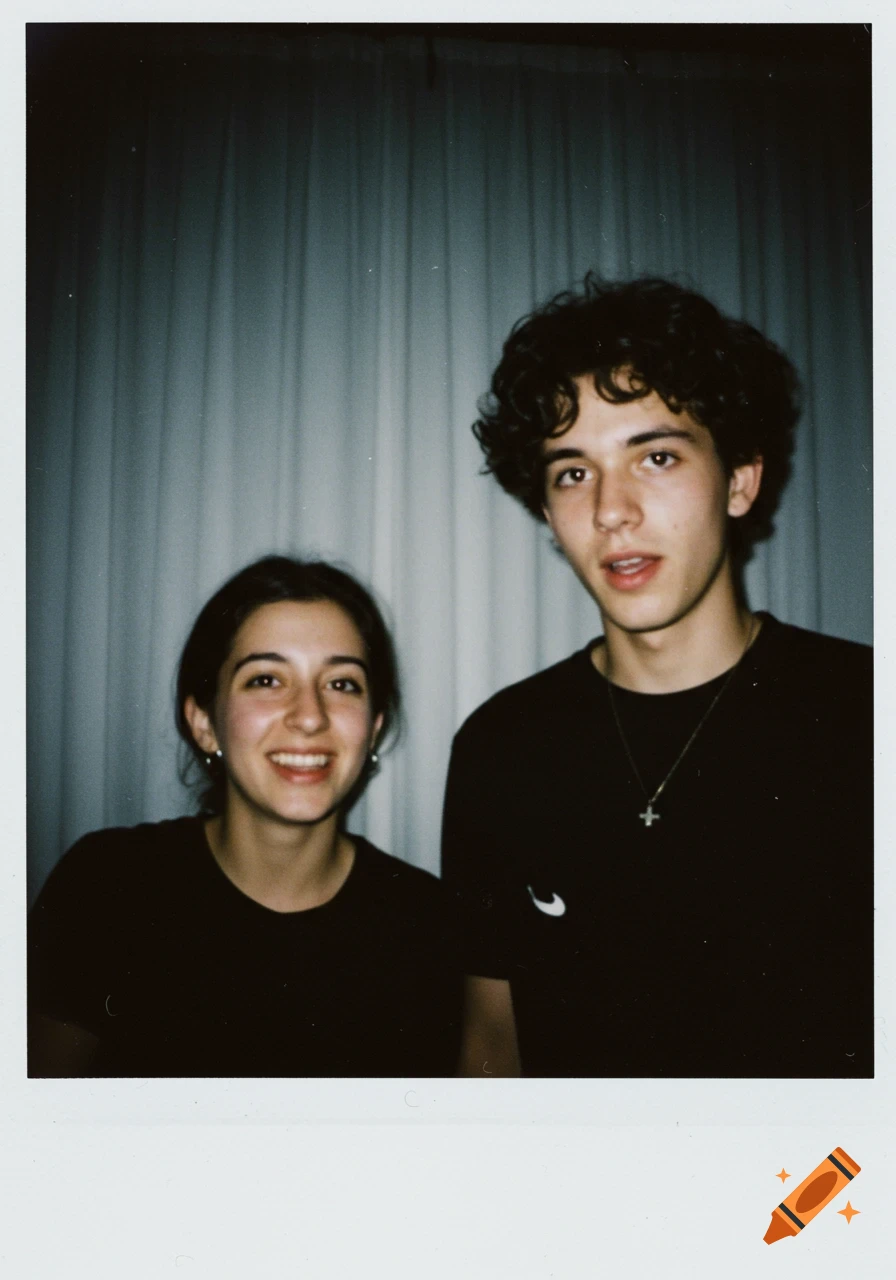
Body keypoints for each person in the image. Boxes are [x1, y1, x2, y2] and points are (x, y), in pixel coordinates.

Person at [441, 275, 872, 1079]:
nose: (611, 510)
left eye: (658, 457)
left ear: (740, 479)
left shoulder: (864, 716)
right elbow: (491, 1048)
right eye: (573, 473)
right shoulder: (502, 746)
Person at [29, 556, 462, 1077]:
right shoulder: (107, 885)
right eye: (266, 679)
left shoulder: (428, 927)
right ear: (204, 722)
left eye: (342, 684)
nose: (310, 717)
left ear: (372, 728)